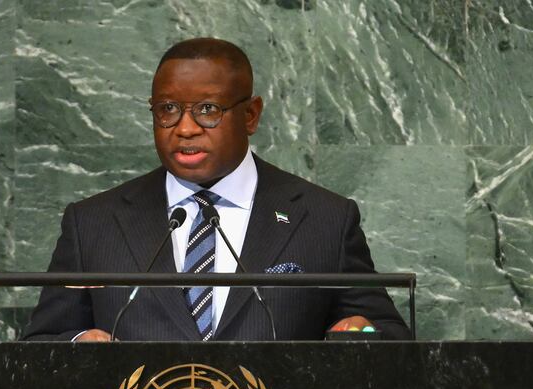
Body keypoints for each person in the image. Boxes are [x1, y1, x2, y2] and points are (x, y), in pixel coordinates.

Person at [21, 38, 411, 342]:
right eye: (167, 109)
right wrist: (77, 342)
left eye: (207, 109)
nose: (185, 128)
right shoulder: (93, 224)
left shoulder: (325, 219)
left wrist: (361, 334)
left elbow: (389, 337)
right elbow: (39, 344)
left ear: (251, 114)